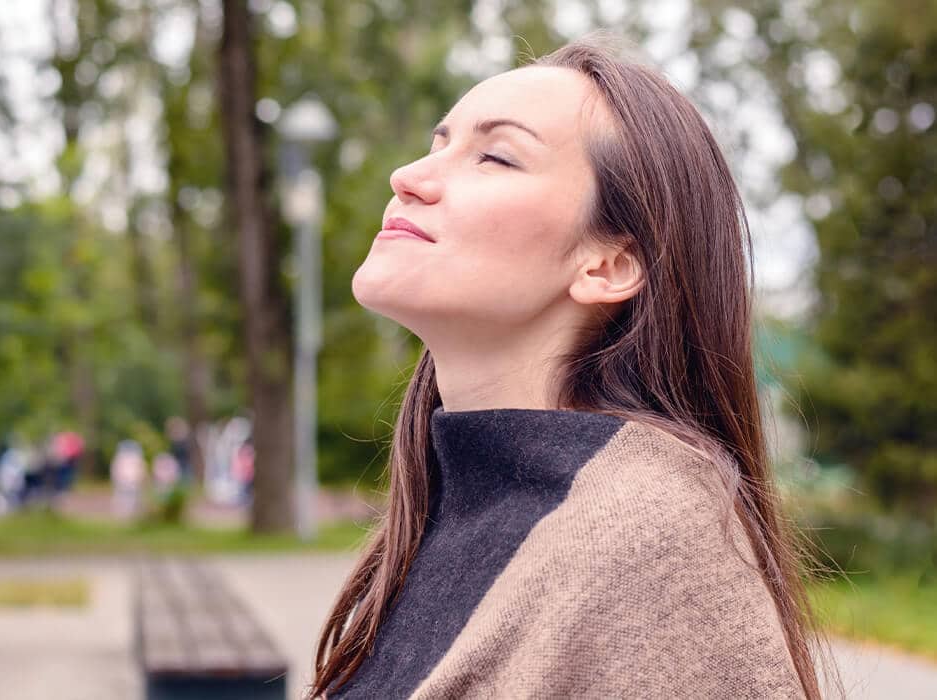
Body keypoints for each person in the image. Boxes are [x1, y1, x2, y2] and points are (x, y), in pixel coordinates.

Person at [310, 37, 830, 699]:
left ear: (606, 265)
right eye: (437, 143)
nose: (408, 176)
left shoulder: (649, 539)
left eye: (494, 156)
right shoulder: (449, 513)